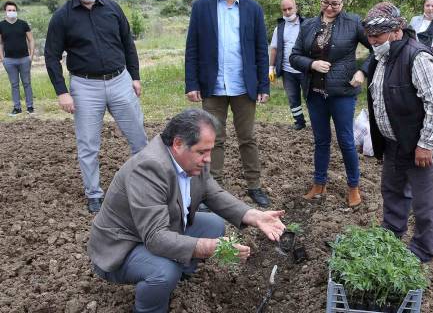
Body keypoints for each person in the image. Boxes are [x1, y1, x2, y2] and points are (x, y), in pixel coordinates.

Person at [88, 108, 286, 313]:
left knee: (213, 225)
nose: (208, 159)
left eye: (210, 151)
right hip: (123, 247)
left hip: (157, 230)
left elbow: (213, 194)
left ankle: (179, 278)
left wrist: (255, 216)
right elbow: (155, 237)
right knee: (164, 271)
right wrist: (212, 247)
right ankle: (151, 305)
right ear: (178, 143)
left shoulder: (192, 160)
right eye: (202, 152)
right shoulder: (149, 169)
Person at [44, 0, 147, 214]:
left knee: (139, 139)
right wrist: (62, 92)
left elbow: (127, 44)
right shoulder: (62, 17)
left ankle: (146, 186)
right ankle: (94, 194)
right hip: (84, 86)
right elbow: (51, 56)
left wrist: (135, 76)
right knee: (88, 145)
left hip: (120, 80)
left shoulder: (112, 9)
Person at [361, 2, 433, 262]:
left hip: (422, 144)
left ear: (395, 31)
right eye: (369, 37)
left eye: (376, 36)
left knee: (426, 204)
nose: (371, 41)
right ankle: (390, 234)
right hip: (395, 143)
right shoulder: (384, 55)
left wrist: (426, 144)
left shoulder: (418, 57)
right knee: (392, 190)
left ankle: (422, 251)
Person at [185, 0, 271, 208]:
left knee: (247, 137)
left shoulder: (253, 9)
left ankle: (254, 186)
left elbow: (260, 50)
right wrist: (192, 83)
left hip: (244, 86)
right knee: (214, 139)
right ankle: (212, 189)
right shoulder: (202, 7)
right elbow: (192, 47)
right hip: (213, 86)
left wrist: (263, 85)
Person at [290, 0, 371, 207]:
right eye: (326, 2)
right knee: (321, 140)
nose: (330, 8)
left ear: (343, 2)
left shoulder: (354, 23)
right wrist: (311, 64)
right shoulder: (308, 26)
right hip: (315, 93)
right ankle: (319, 183)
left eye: (335, 4)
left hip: (342, 93)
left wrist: (362, 72)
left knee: (346, 140)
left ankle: (353, 186)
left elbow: (377, 49)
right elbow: (294, 56)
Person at [269, 0, 306, 130]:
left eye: (290, 8)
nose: (288, 12)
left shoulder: (306, 25)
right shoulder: (279, 28)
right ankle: (299, 122)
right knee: (292, 98)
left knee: (311, 98)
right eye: (284, 9)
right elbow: (274, 48)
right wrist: (271, 67)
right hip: (287, 70)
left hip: (305, 70)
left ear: (296, 8)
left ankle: (317, 122)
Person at [0, 1, 35, 116]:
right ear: (5, 11)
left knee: (27, 83)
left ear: (16, 11)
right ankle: (17, 108)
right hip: (9, 61)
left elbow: (31, 40)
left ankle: (30, 107)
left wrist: (31, 55)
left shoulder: (23, 24)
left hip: (24, 59)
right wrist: (2, 58)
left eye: (14, 10)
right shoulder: (1, 25)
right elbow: (0, 43)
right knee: (14, 84)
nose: (12, 12)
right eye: (9, 10)